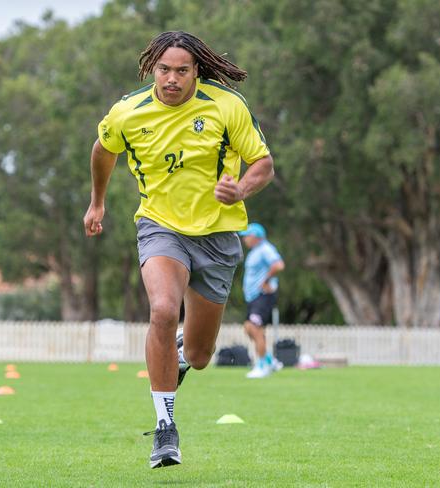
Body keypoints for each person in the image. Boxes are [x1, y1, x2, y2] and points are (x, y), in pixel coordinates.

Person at [83, 31, 274, 468]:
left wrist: (240, 187)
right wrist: (97, 201)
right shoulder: (128, 112)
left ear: (196, 71)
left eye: (182, 71)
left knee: (202, 356)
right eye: (164, 70)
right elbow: (102, 149)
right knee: (164, 312)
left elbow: (263, 164)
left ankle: (185, 354)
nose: (172, 79)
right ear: (153, 68)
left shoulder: (226, 106)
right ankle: (165, 429)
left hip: (218, 235)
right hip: (160, 227)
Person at [239, 222, 285, 379]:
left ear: (256, 236)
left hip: (263, 295)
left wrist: (266, 281)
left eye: (247, 236)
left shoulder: (266, 249)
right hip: (253, 297)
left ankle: (262, 365)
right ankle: (269, 360)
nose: (245, 239)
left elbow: (278, 265)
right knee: (248, 327)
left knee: (254, 327)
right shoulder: (255, 251)